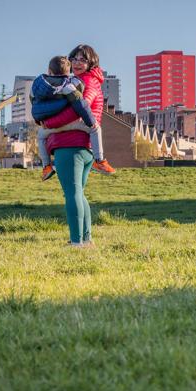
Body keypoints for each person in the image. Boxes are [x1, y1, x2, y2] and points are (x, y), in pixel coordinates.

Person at [41, 44, 106, 246]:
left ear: (91, 63)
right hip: (82, 146)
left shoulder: (87, 82)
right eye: (74, 59)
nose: (77, 62)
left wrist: (49, 123)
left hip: (71, 145)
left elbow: (79, 108)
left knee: (71, 194)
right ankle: (85, 240)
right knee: (78, 193)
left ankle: (76, 241)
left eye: (83, 59)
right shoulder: (84, 80)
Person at [31, 56, 115, 181]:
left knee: (41, 136)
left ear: (49, 70)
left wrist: (41, 120)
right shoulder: (68, 84)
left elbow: (34, 102)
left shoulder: (39, 85)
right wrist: (90, 121)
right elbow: (80, 103)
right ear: (68, 71)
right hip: (69, 124)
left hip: (48, 126)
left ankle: (46, 166)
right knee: (95, 129)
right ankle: (100, 160)